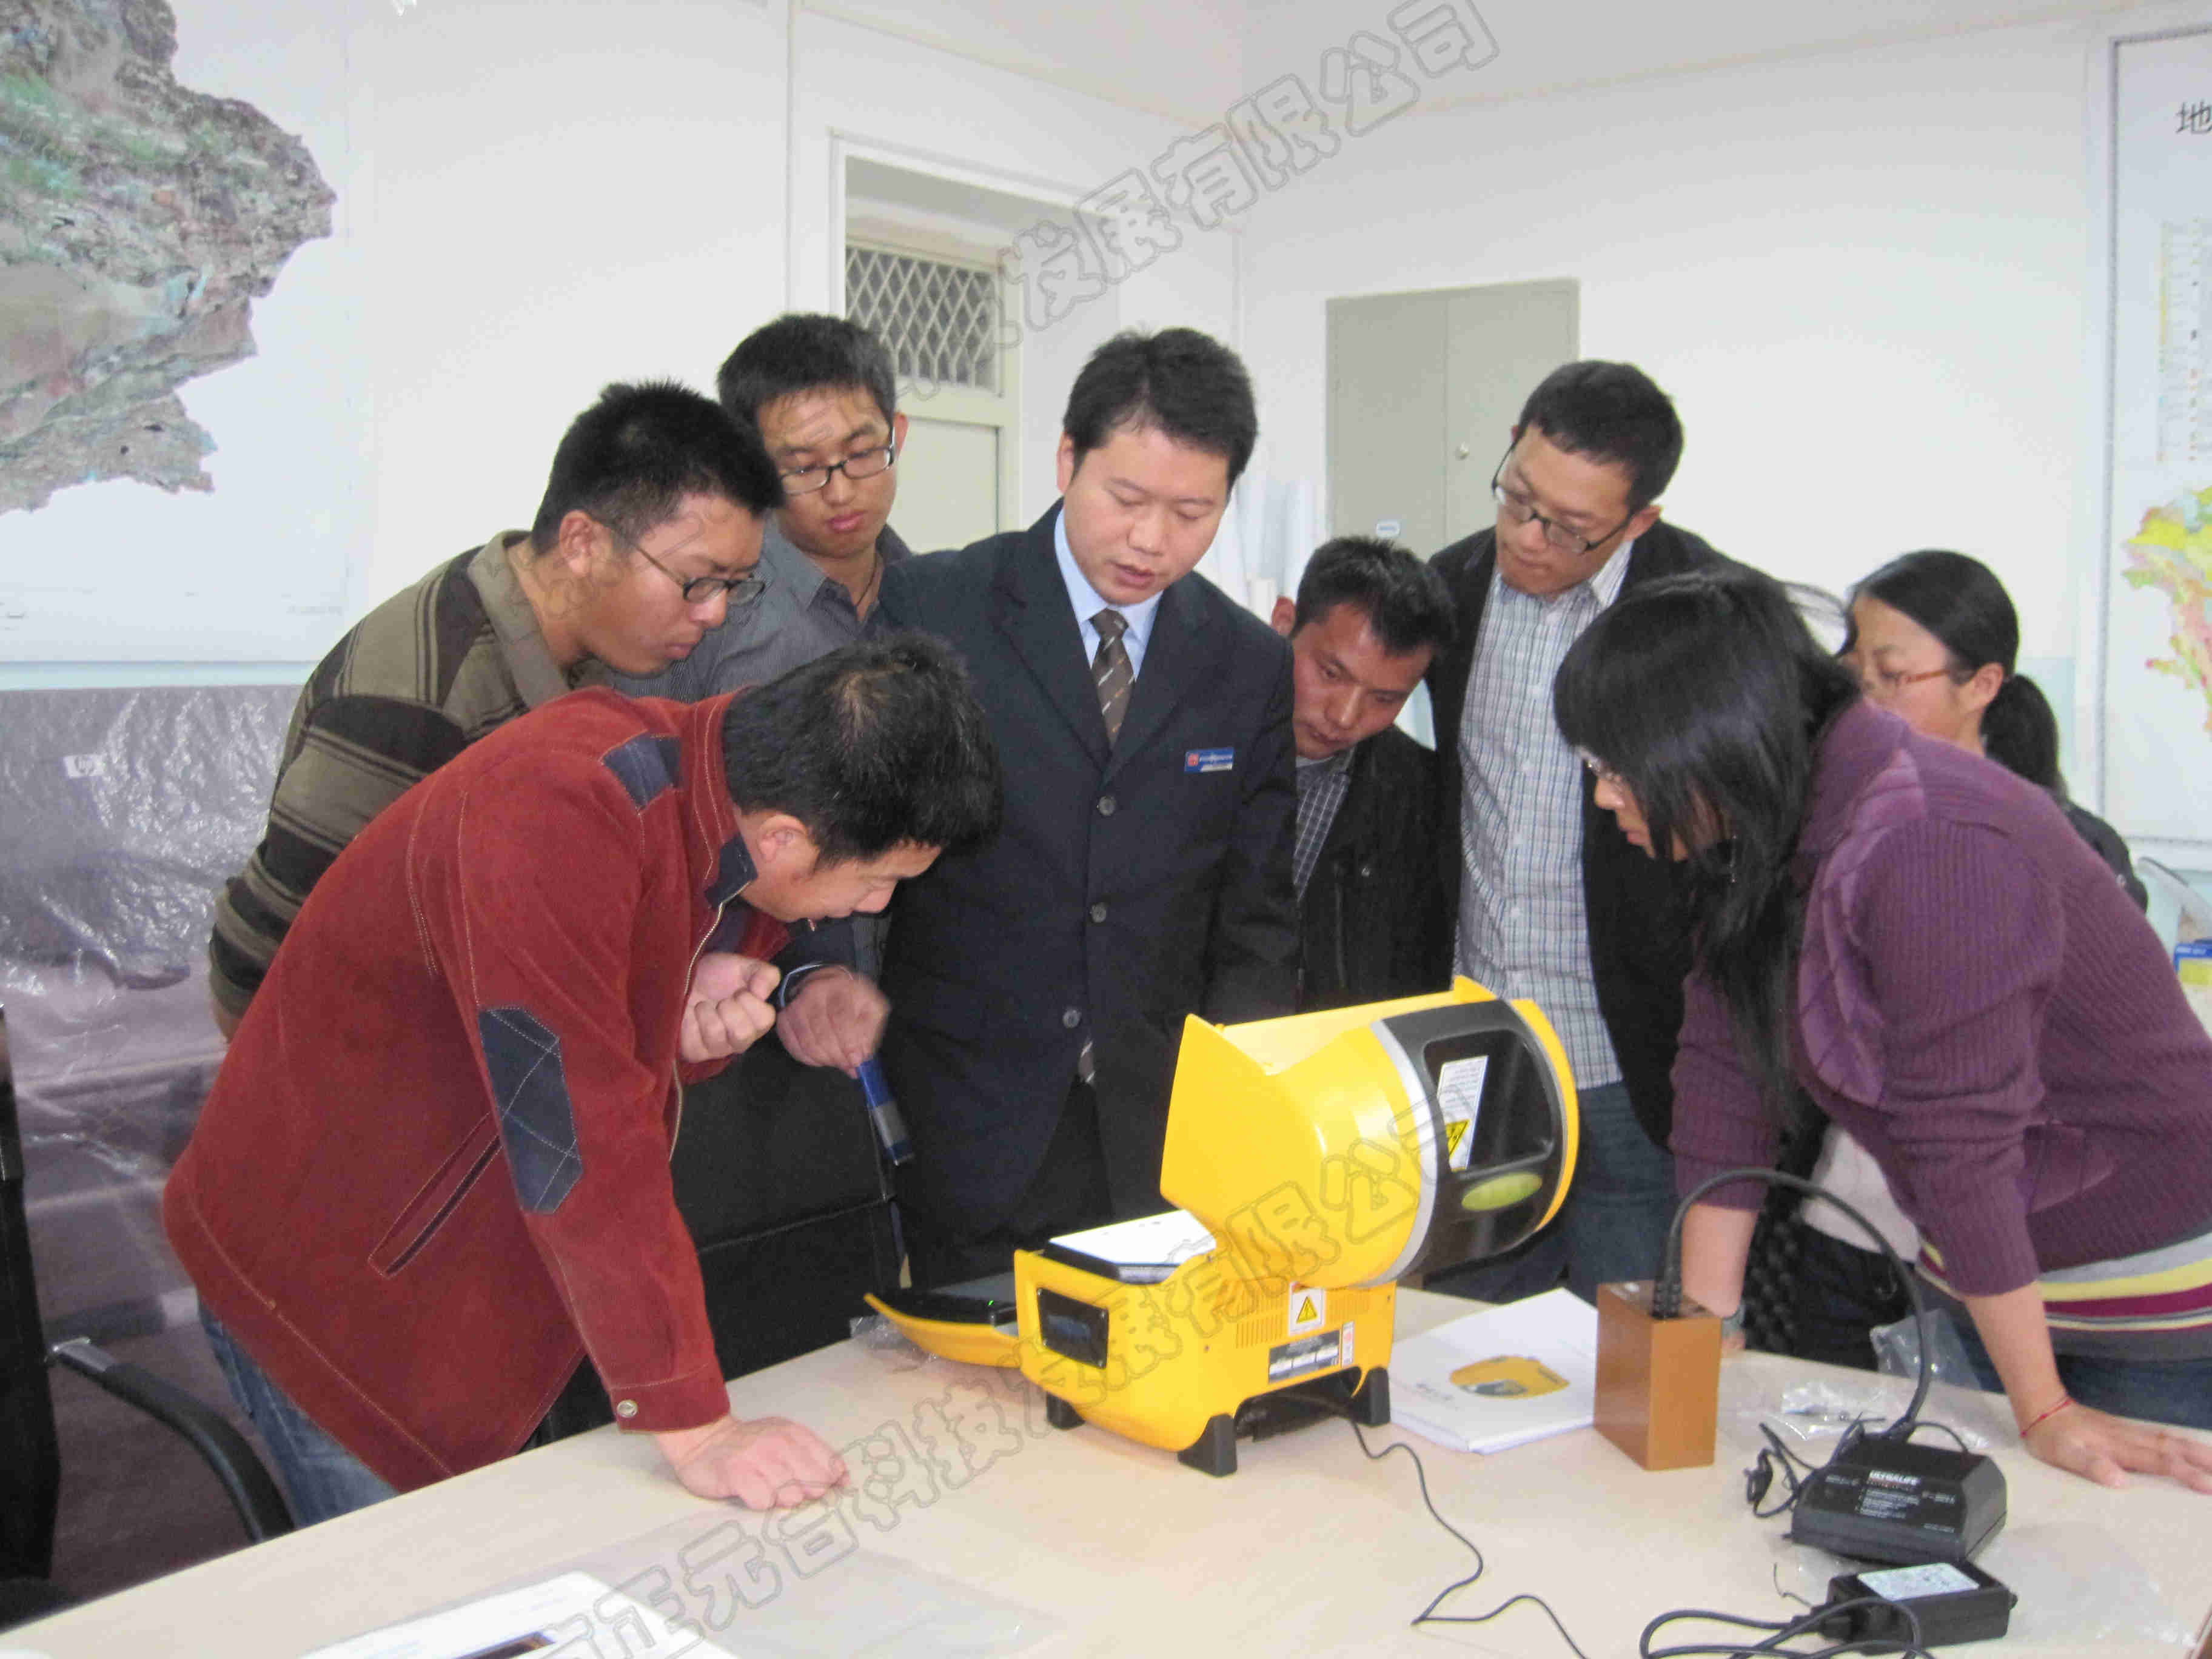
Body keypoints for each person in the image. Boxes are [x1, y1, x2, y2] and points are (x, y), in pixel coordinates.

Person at [165, 638, 1002, 1523]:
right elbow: (577, 1140)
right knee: (414, 1580)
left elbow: (561, 1030)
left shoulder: (711, 789)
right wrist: (700, 1429)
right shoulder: (553, 808)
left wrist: (673, 1012)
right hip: (337, 1291)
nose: (874, 907)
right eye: (878, 881)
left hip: (464, 1264)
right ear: (785, 839)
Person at [1554, 563, 2212, 1491]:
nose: (1606, 797)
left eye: (1618, 770)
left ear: (1711, 746)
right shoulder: (1767, 833)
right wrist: (1707, 1332)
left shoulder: (1929, 838)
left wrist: (2045, 1410)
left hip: (2148, 1294)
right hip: (1990, 1281)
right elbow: (1723, 1075)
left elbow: (1961, 1141)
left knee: (2128, 1550)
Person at [851, 326, 1298, 1287]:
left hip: (1156, 1136)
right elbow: (861, 841)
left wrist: (1244, 1121)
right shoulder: (938, 606)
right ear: (1067, 460)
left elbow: (1254, 919)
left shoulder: (1247, 663)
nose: (1151, 540)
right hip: (971, 1116)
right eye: (1126, 499)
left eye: (1192, 512)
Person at [208, 380, 780, 1037]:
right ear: (583, 544)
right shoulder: (419, 702)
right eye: (698, 581)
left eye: (735, 585)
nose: (715, 613)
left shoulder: (582, 646)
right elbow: (260, 961)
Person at [1782, 550, 2151, 1369]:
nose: (1866, 702)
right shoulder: (1832, 831)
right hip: (1849, 1228)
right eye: (1855, 674)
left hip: (1999, 1254)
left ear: (1982, 685)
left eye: (1893, 677)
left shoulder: (2066, 849)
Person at [1426, 361, 1726, 1303]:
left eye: (1569, 528)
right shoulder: (1450, 589)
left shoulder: (1703, 618)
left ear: (1639, 521)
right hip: (1478, 1059)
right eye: (1518, 497)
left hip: (1631, 1062)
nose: (1528, 536)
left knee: (1627, 1356)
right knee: (1462, 1340)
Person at [614, 314, 911, 702]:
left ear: (896, 435)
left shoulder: (933, 595)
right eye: (803, 468)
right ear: (752, 466)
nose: (840, 493)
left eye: (860, 454)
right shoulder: (702, 610)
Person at [1267, 536, 1456, 1010]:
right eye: (1331, 674)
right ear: (1284, 622)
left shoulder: (1418, 798)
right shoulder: (1188, 743)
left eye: (1385, 699)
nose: (1345, 717)